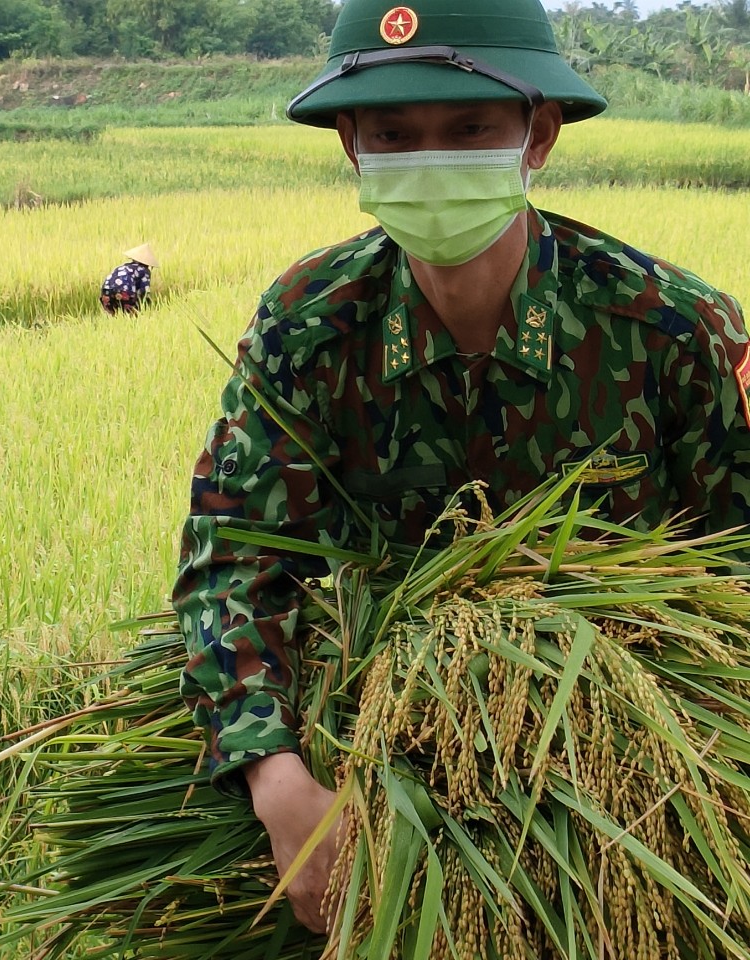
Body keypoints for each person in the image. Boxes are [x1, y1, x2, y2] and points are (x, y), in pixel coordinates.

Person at [171, 0, 750, 936]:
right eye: (394, 133)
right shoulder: (309, 324)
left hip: (626, 764)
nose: (430, 159)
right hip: (368, 730)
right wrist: (277, 782)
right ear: (351, 145)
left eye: (469, 127)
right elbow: (229, 561)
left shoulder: (672, 331)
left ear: (539, 133)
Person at [100, 243, 157, 314]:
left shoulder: (122, 267)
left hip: (105, 291)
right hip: (124, 292)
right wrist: (148, 307)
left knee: (112, 316)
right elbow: (144, 292)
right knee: (132, 316)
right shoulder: (144, 270)